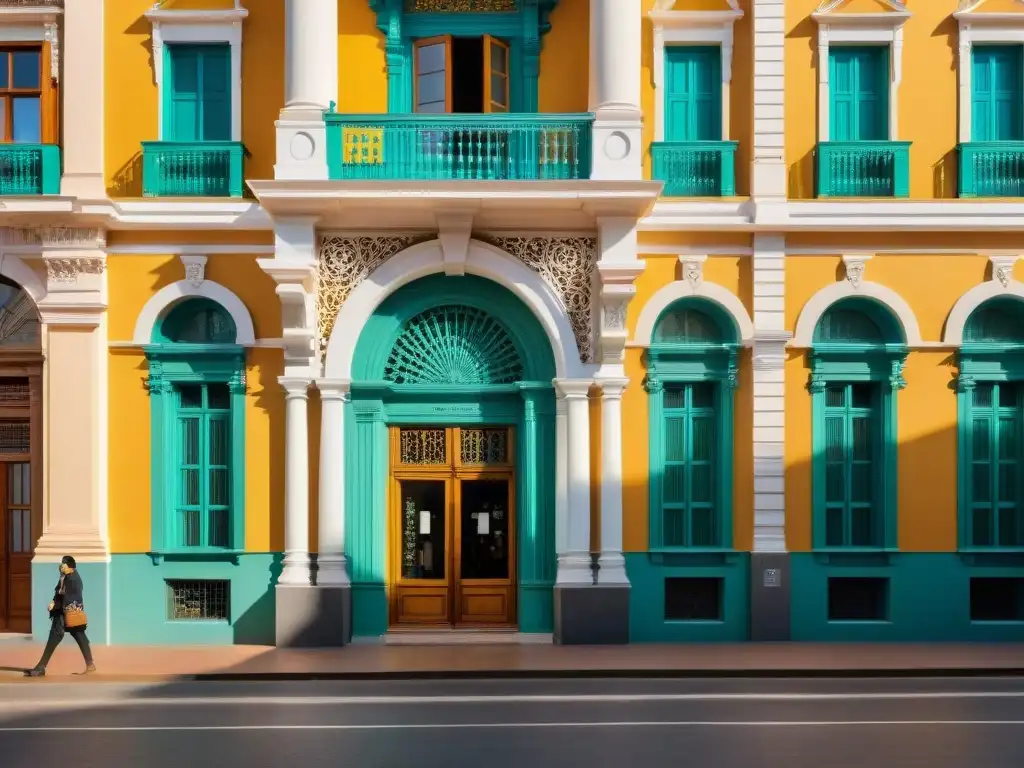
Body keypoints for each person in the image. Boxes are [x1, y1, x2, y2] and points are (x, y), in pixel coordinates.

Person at [24, 555, 96, 677]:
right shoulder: (65, 577)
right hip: (66, 614)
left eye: (64, 563)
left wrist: (55, 605)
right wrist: (54, 601)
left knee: (56, 637)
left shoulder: (73, 579)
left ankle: (41, 667)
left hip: (68, 614)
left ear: (71, 567)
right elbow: (59, 592)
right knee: (80, 637)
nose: (62, 565)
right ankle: (90, 665)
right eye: (62, 563)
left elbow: (69, 597)